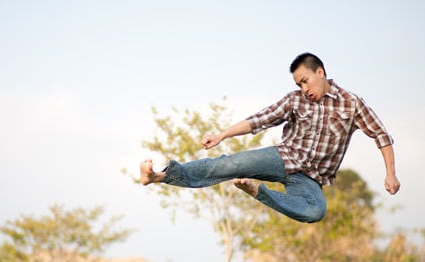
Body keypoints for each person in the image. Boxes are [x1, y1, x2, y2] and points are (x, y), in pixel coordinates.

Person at [140, 52, 400, 223]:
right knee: (228, 165)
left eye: (306, 81)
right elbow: (260, 120)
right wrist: (222, 135)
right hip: (282, 159)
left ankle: (256, 192)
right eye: (299, 84)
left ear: (320, 72)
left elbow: (381, 135)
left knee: (316, 211)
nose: (304, 89)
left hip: (309, 179)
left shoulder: (351, 104)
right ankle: (160, 176)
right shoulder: (294, 100)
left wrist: (390, 174)